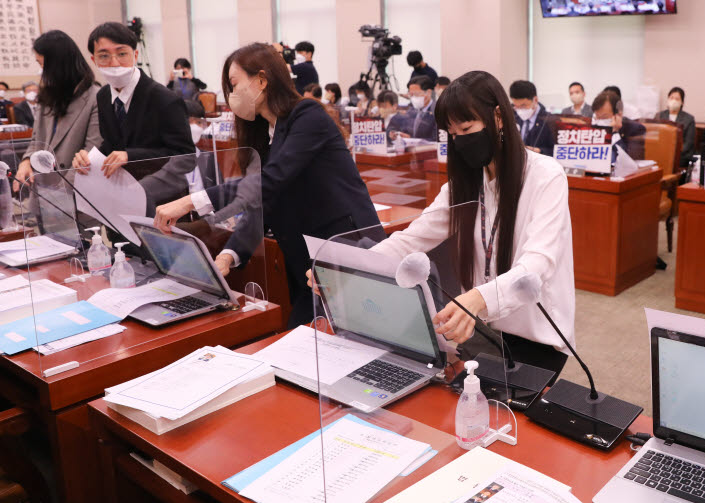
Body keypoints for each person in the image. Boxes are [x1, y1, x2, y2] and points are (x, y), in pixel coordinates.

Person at [311, 70, 576, 377]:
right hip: (479, 329)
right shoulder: (463, 185)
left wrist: (478, 298)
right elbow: (412, 239)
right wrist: (345, 269)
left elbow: (538, 263)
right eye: (452, 133)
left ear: (499, 117)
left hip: (535, 335)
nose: (460, 141)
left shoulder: (546, 176)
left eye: (466, 127)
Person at [153, 43, 381, 327]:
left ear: (261, 80)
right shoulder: (265, 136)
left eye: (234, 85)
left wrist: (191, 201)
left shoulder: (307, 115)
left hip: (346, 250)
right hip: (305, 266)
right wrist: (228, 255)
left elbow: (271, 181)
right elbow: (261, 206)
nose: (231, 96)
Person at [71, 22, 195, 213]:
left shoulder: (164, 98)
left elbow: (185, 156)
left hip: (162, 203)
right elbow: (111, 144)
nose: (114, 62)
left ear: (135, 55)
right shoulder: (103, 96)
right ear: (93, 60)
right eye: (104, 56)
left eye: (122, 54)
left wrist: (131, 156)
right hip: (118, 199)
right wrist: (89, 158)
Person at [14, 30, 101, 192]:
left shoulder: (95, 97)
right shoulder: (47, 96)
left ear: (58, 65)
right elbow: (37, 139)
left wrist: (60, 195)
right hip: (44, 192)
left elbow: (91, 152)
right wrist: (26, 161)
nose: (41, 72)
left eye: (42, 64)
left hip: (76, 194)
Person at [592, 90, 646, 160]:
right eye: (597, 117)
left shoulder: (635, 129)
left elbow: (625, 161)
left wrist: (614, 132)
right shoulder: (595, 128)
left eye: (603, 117)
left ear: (619, 115)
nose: (599, 122)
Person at [509, 80, 555, 156]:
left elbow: (556, 150)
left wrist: (539, 150)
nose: (520, 110)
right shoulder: (512, 117)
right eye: (516, 106)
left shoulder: (550, 121)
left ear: (535, 100)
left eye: (523, 105)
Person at [656, 86, 695, 166]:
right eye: (671, 98)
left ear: (682, 102)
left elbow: (688, 143)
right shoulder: (659, 116)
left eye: (677, 99)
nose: (673, 101)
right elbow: (655, 136)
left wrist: (674, 152)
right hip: (661, 153)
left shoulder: (689, 119)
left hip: (681, 156)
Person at [394, 75, 437, 141]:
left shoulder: (437, 111)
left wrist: (412, 140)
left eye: (416, 94)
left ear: (428, 92)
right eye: (411, 95)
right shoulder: (411, 110)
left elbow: (436, 139)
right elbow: (406, 129)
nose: (413, 98)